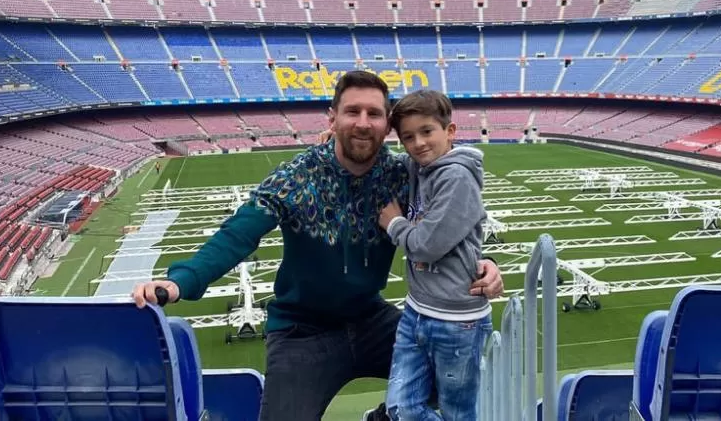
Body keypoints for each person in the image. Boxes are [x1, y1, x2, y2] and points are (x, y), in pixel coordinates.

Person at [131, 71, 504, 421]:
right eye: (352, 111)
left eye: (374, 113)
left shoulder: (400, 176)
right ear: (332, 119)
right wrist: (184, 279)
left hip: (369, 318)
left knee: (453, 376)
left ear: (386, 124)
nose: (362, 122)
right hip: (302, 331)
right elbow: (239, 232)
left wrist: (482, 262)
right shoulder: (298, 177)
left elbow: (448, 216)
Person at [379, 90, 491, 421]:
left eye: (427, 132)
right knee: (401, 410)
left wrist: (394, 224)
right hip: (416, 311)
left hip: (458, 322)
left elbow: (427, 244)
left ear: (450, 131)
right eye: (408, 137)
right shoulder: (420, 167)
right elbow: (385, 163)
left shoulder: (456, 176)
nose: (418, 144)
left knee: (457, 413)